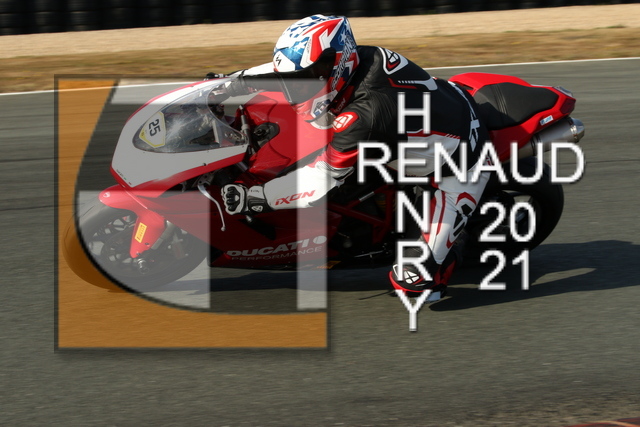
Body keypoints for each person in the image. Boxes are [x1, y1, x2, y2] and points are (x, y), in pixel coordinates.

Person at [219, 14, 491, 298]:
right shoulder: (360, 57)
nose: (296, 87)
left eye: (306, 78)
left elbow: (320, 179)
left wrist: (259, 198)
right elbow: (287, 71)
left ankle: (452, 248)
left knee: (411, 280)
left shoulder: (366, 114)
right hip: (428, 121)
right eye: (296, 79)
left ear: (335, 63)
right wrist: (233, 82)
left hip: (459, 163)